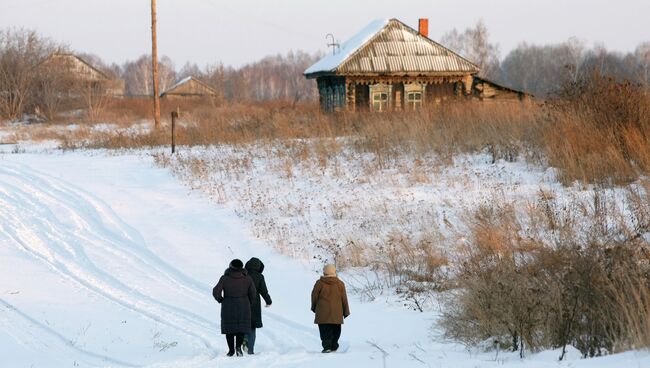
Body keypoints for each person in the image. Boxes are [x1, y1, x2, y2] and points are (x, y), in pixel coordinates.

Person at [213, 259, 256, 357]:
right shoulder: (248, 278)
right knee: (241, 328)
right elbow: (253, 294)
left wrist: (221, 300)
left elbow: (216, 292)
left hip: (228, 306)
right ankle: (238, 348)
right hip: (244, 306)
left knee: (230, 329)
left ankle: (231, 350)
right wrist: (249, 302)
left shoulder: (224, 278)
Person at [310, 264, 350, 353]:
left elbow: (314, 296)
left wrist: (314, 307)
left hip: (322, 312)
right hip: (337, 312)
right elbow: (344, 298)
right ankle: (334, 345)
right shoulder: (340, 283)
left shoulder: (319, 283)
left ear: (324, 272)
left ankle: (327, 347)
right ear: (334, 271)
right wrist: (346, 311)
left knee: (324, 331)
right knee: (336, 330)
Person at [242, 257, 272, 355]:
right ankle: (250, 350)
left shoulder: (243, 275)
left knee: (243, 323)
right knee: (253, 326)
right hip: (255, 303)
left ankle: (244, 338)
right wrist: (268, 301)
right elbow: (264, 291)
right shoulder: (260, 276)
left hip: (243, 301)